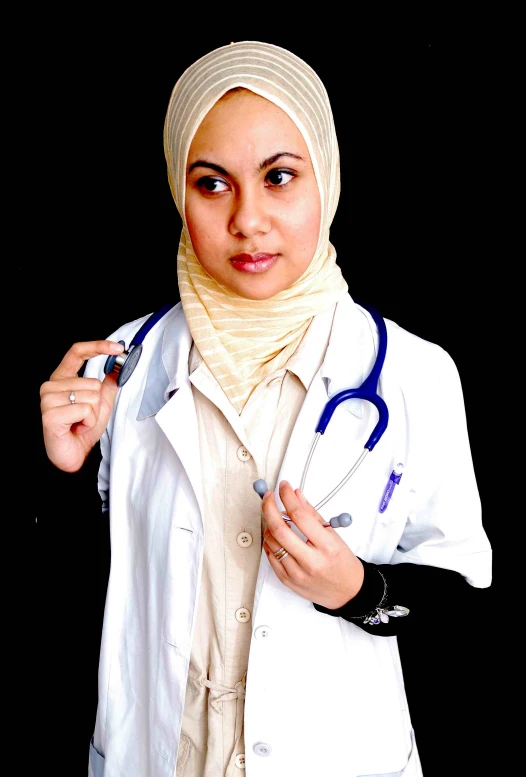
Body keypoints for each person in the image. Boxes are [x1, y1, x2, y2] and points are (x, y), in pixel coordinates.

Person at [39, 40, 492, 777]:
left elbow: (472, 602)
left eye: (279, 177)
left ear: (327, 179)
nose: (248, 219)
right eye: (212, 184)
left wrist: (358, 591)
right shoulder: (123, 362)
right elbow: (99, 594)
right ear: (177, 191)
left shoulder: (413, 374)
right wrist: (59, 473)